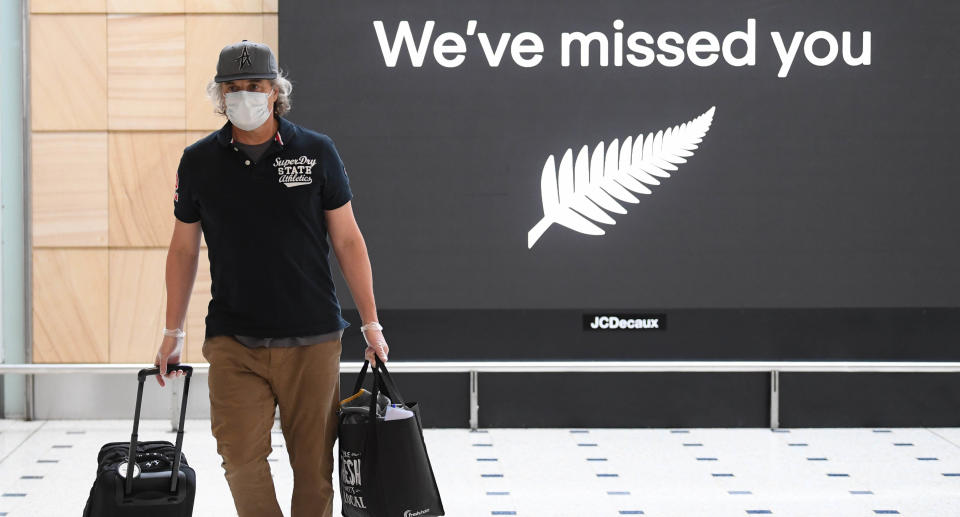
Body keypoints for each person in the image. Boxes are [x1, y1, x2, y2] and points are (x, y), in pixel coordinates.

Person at [151, 39, 389, 517]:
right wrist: (172, 333)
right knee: (239, 459)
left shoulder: (316, 151)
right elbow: (182, 249)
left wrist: (371, 323)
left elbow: (348, 241)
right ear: (219, 95)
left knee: (313, 468)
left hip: (313, 339)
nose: (244, 95)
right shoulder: (198, 161)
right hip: (233, 340)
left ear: (275, 91)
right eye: (232, 87)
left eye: (254, 85)